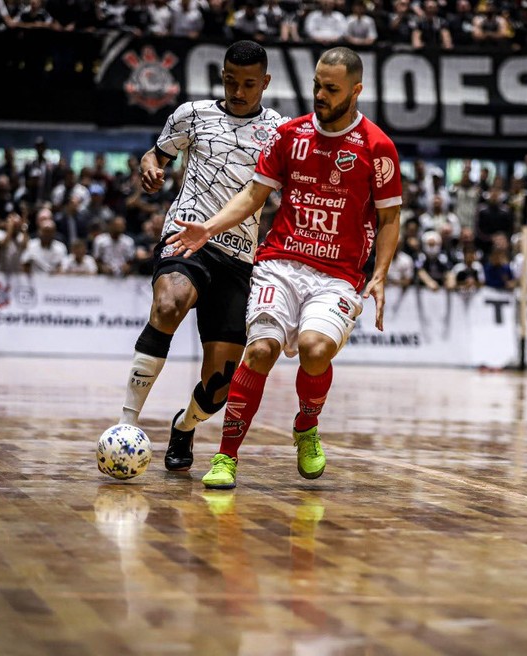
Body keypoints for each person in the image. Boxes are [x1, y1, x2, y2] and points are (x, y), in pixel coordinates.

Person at [167, 47, 402, 489]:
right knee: (259, 351)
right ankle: (226, 457)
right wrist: (209, 228)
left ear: (356, 90)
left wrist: (381, 273)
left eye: (331, 89)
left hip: (337, 274)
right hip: (280, 263)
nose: (320, 95)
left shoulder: (378, 147)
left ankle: (306, 426)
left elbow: (390, 217)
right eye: (316, 85)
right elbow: (253, 196)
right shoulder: (290, 135)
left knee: (315, 350)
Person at [116, 41, 286, 474]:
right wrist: (150, 166)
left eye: (249, 84)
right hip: (187, 236)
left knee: (218, 387)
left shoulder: (280, 131)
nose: (238, 91)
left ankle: (184, 426)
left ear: (265, 82)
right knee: (168, 303)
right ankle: (126, 425)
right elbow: (156, 154)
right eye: (230, 81)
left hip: (239, 257)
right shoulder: (191, 114)